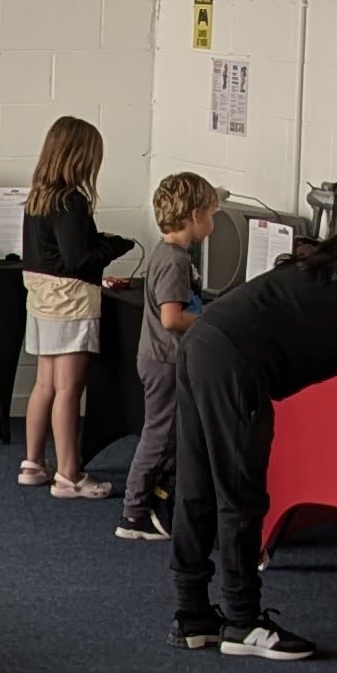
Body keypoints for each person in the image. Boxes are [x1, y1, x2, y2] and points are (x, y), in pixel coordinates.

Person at [169, 230, 337, 662]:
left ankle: (192, 613)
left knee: (196, 487)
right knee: (240, 495)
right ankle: (242, 620)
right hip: (237, 359)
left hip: (205, 339)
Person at [15, 116, 131, 500]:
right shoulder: (71, 199)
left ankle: (32, 463)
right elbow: (78, 260)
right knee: (69, 389)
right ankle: (69, 475)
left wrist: (96, 239)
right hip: (70, 302)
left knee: (44, 384)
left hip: (41, 298)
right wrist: (115, 246)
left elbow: (60, 249)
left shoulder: (39, 196)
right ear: (80, 156)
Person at [117, 172, 221, 543]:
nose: (212, 223)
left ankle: (157, 500)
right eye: (211, 214)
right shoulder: (175, 260)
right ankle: (134, 514)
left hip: (162, 358)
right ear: (195, 215)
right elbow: (172, 317)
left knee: (170, 435)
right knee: (159, 437)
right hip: (164, 360)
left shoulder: (169, 252)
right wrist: (213, 321)